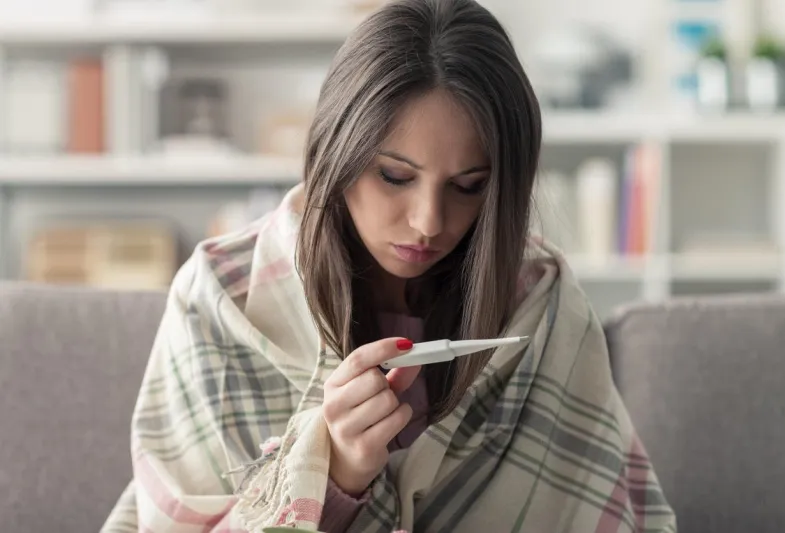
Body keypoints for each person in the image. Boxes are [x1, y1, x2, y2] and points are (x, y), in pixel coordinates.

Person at [102, 0, 676, 531]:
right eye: (395, 177)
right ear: (336, 152)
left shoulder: (540, 302)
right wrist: (334, 476)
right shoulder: (220, 296)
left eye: (469, 186)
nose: (429, 221)